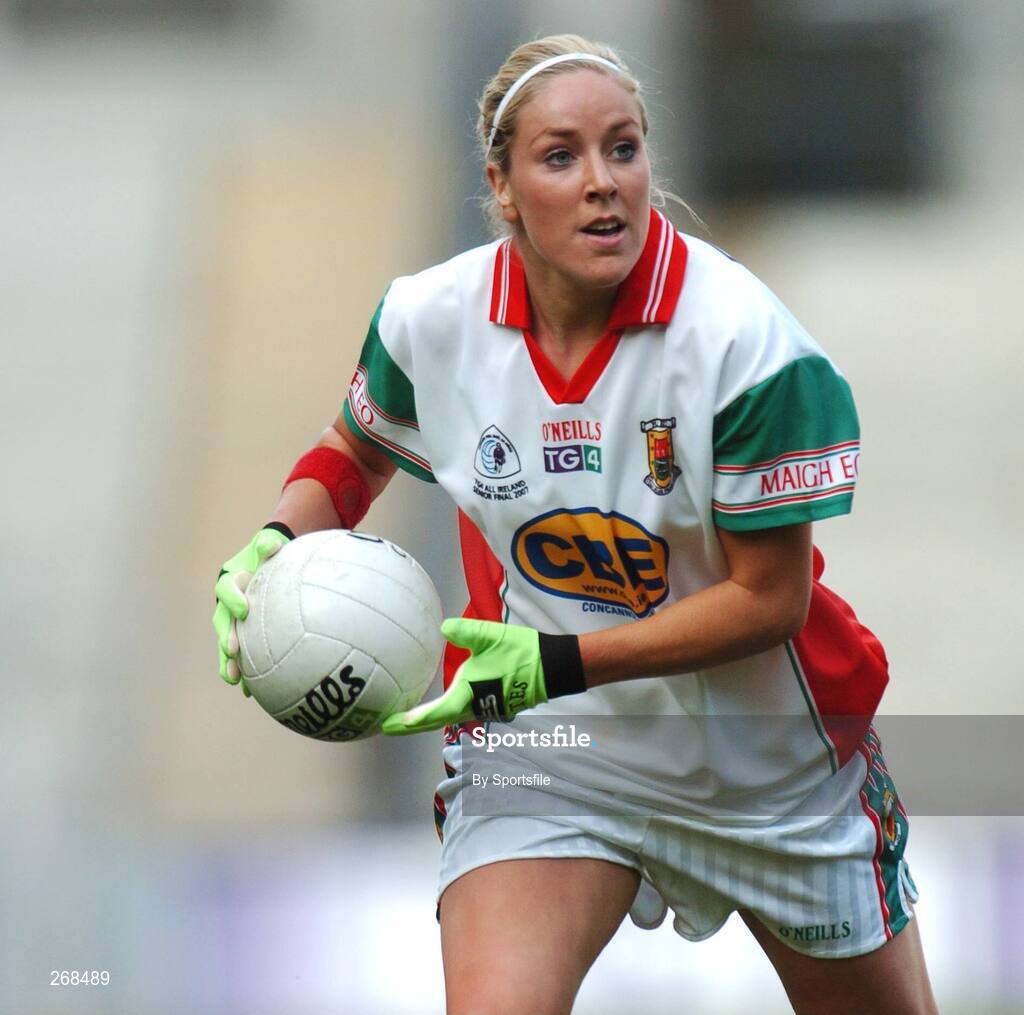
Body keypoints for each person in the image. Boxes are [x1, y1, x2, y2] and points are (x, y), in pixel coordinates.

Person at [213, 34, 938, 1015]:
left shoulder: (746, 344)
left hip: (770, 772)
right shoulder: (429, 318)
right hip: (548, 753)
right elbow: (354, 453)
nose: (603, 183)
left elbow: (770, 602)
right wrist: (275, 541)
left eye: (624, 148)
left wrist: (558, 659)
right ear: (502, 186)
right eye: (561, 156)